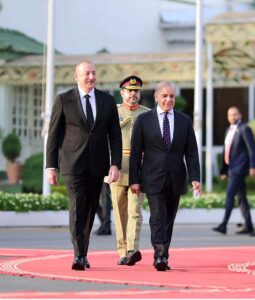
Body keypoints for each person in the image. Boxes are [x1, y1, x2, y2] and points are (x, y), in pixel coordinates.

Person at [46, 61, 122, 271]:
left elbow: (115, 135)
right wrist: (50, 166)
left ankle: (83, 252)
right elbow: (53, 134)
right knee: (78, 207)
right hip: (73, 163)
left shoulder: (107, 100)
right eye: (86, 73)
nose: (91, 77)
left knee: (89, 209)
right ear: (76, 76)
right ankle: (78, 255)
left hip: (98, 165)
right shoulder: (64, 99)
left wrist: (115, 164)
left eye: (94, 73)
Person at [129, 81, 201, 271]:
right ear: (156, 97)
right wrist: (134, 180)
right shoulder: (144, 120)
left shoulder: (184, 121)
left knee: (169, 218)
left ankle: (164, 254)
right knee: (158, 216)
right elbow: (136, 152)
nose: (169, 100)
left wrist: (195, 177)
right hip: (152, 178)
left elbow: (191, 152)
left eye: (172, 96)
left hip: (176, 178)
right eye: (165, 96)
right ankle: (159, 255)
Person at [105, 75, 150, 266]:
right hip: (116, 166)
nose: (133, 94)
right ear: (122, 92)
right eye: (129, 91)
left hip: (138, 168)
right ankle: (122, 251)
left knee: (135, 211)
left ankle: (132, 249)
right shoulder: (112, 112)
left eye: (136, 91)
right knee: (120, 212)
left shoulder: (147, 113)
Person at [212, 106, 255, 235]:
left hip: (240, 168)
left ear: (240, 115)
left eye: (235, 114)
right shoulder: (228, 130)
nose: (233, 117)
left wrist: (253, 166)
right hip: (232, 169)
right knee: (241, 197)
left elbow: (251, 149)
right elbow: (227, 151)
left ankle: (223, 224)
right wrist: (224, 171)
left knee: (230, 194)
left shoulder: (244, 129)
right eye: (230, 115)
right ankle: (249, 226)